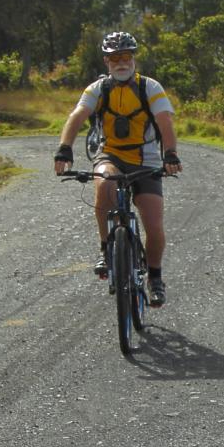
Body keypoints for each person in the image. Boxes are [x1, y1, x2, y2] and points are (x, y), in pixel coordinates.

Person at [52, 30, 182, 306]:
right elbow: (77, 117)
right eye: (114, 58)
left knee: (154, 225)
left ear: (133, 59)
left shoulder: (150, 87)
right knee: (104, 186)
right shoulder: (97, 90)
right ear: (106, 62)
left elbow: (164, 122)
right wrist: (64, 148)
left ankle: (155, 277)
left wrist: (170, 154)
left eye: (125, 57)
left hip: (146, 161)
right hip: (110, 154)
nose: (121, 63)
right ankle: (106, 248)